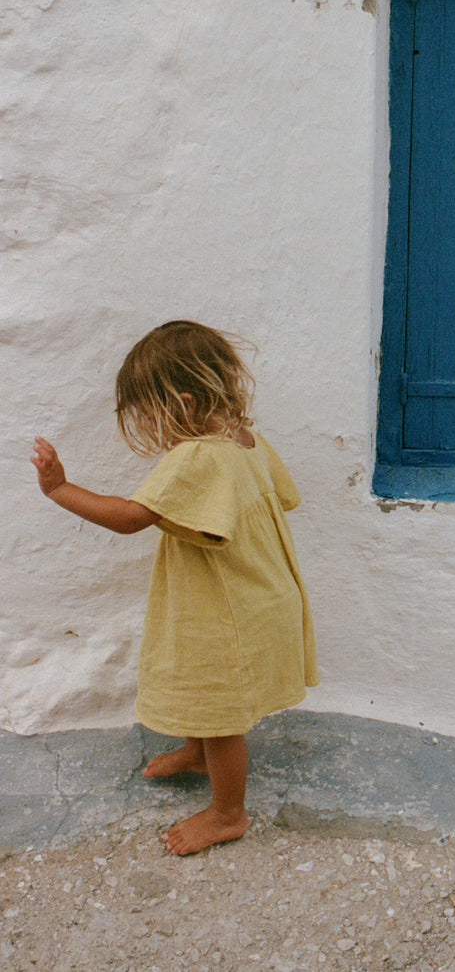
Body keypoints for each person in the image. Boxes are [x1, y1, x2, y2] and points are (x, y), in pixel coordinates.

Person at [30, 320, 318, 856]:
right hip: (254, 591)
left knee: (222, 709)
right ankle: (196, 751)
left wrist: (60, 488)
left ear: (183, 402)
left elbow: (130, 517)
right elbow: (282, 498)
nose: (153, 430)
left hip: (231, 605)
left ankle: (228, 813)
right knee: (199, 682)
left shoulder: (199, 455)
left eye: (152, 415)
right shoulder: (245, 438)